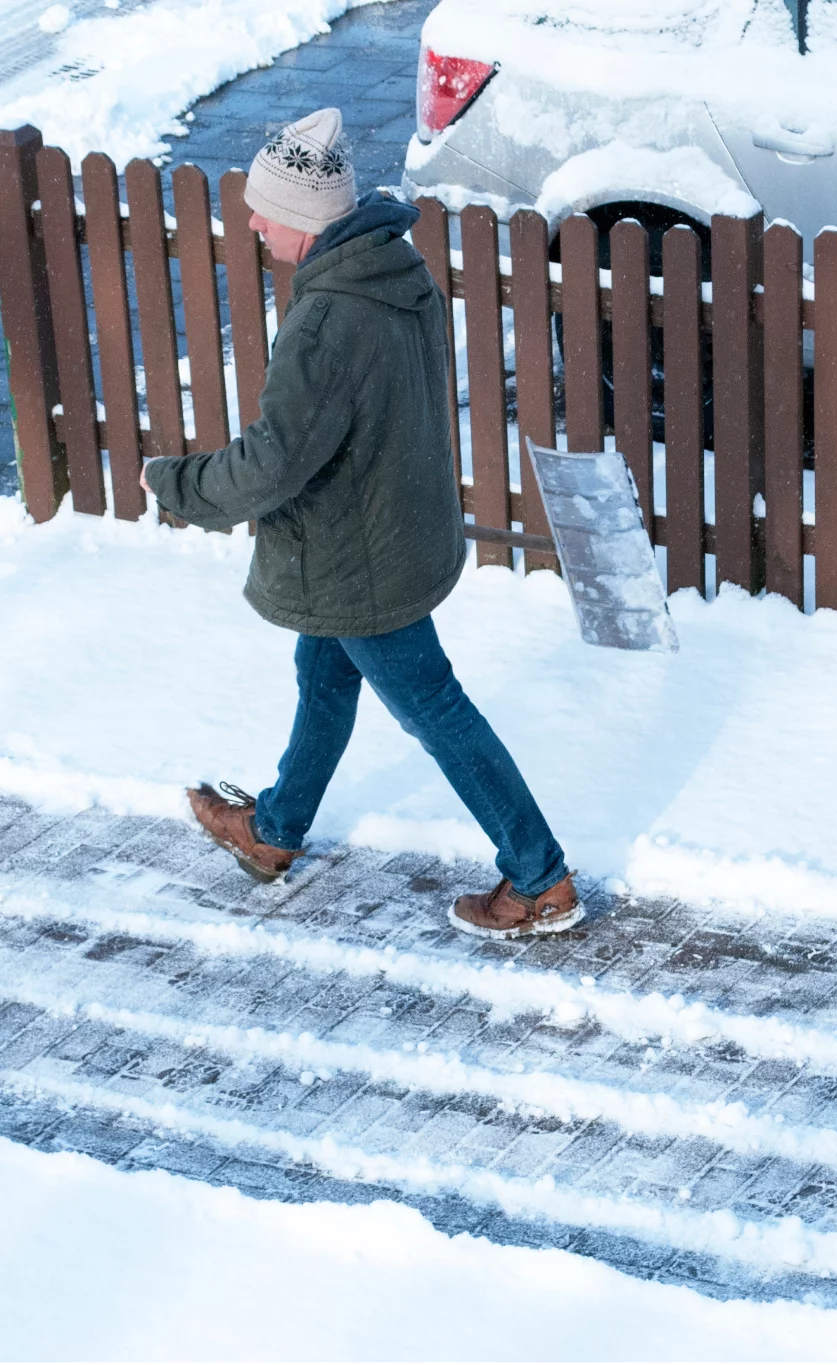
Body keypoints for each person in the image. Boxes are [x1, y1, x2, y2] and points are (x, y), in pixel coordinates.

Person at [139, 108, 578, 940]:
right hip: (392, 527)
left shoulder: (325, 322)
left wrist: (179, 484)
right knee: (326, 675)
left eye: (264, 208)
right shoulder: (392, 267)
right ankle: (273, 833)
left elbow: (274, 461)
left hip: (358, 557)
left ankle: (540, 878)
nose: (253, 219)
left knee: (435, 709)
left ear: (305, 220)